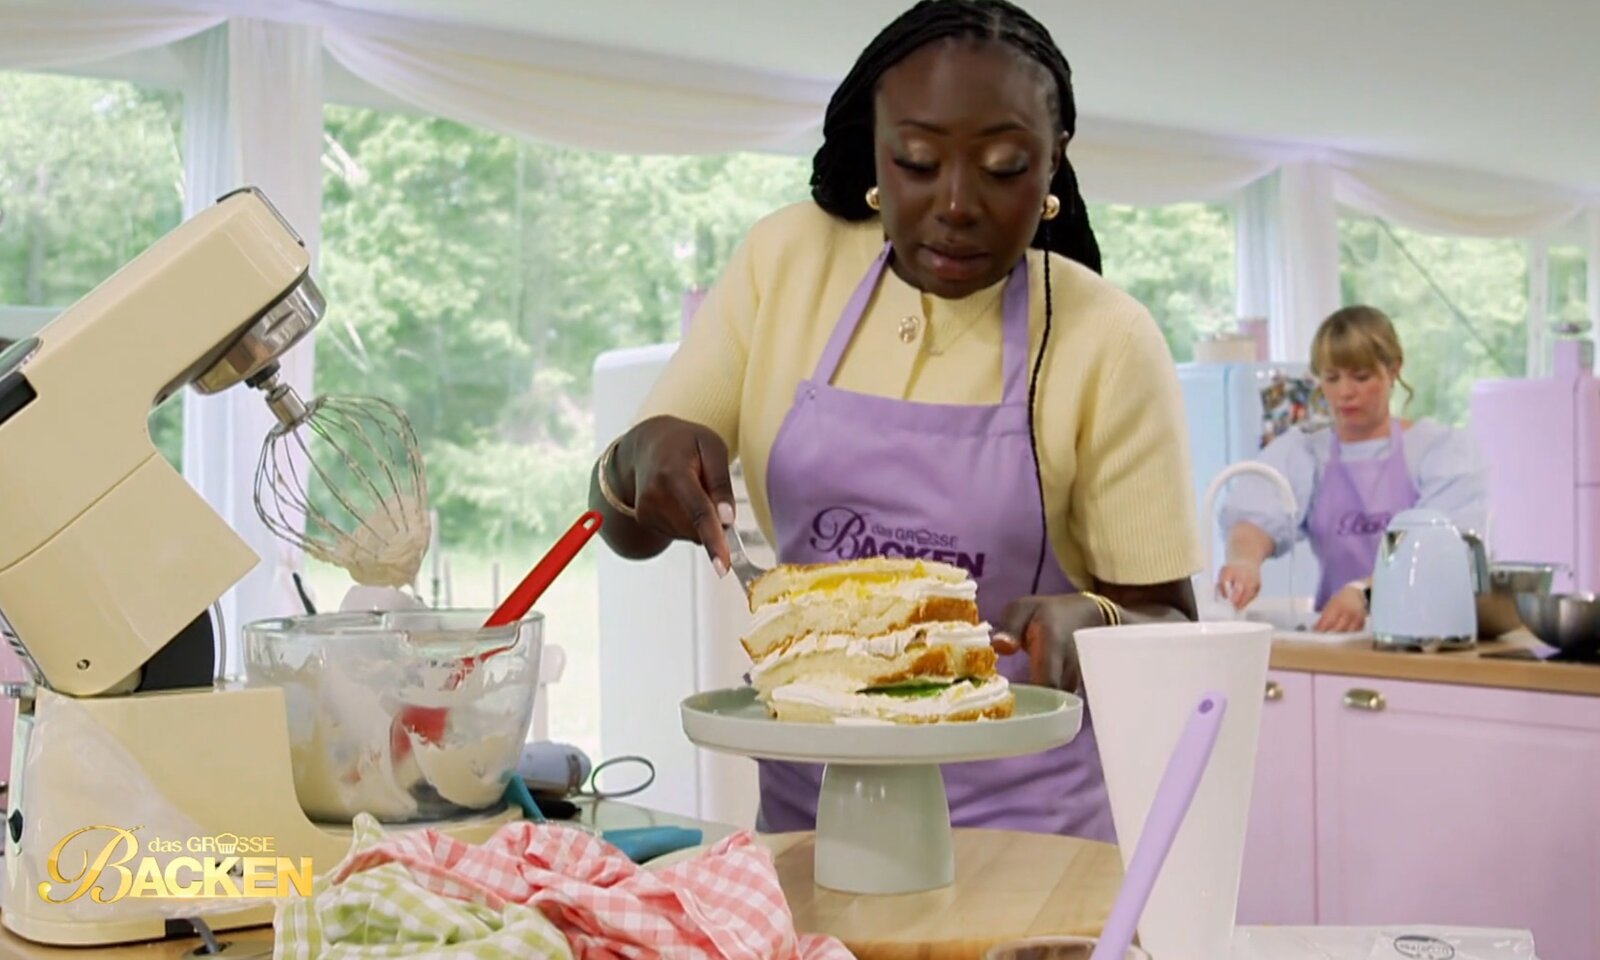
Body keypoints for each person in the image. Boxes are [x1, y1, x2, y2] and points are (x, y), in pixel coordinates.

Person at [587, 0, 1201, 843]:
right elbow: (624, 525)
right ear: (875, 149)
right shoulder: (786, 262)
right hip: (808, 834)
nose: (956, 204)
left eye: (1005, 167)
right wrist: (631, 464)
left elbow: (1173, 627)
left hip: (1028, 845)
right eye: (917, 161)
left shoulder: (1108, 338)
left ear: (1053, 163)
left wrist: (1097, 621)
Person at [1215, 305, 1503, 633]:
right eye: (1332, 378)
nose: (1345, 392)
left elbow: (1444, 552)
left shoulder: (1439, 452)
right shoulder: (1305, 452)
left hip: (1426, 635)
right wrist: (1244, 562)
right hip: (1337, 634)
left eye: (1361, 377)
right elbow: (1255, 516)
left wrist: (1364, 592)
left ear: (1393, 370)